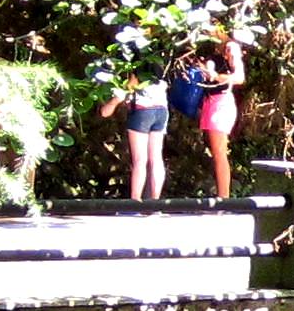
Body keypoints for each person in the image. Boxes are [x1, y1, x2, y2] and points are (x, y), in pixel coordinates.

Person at [170, 31, 247, 200]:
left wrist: (216, 77)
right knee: (216, 151)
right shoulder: (216, 49)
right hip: (211, 102)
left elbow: (239, 77)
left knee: (220, 152)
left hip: (220, 102)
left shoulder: (230, 47)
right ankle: (222, 196)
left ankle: (224, 198)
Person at [101, 66, 172, 200]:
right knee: (156, 158)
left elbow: (106, 111)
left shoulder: (134, 73)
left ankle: (136, 200)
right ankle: (156, 201)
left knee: (140, 159)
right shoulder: (159, 73)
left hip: (142, 111)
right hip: (161, 110)